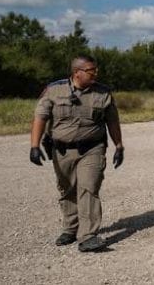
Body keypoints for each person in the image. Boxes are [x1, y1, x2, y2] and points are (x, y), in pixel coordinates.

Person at [29, 55, 124, 252]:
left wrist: (119, 146)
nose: (95, 74)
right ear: (77, 73)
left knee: (89, 188)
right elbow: (40, 117)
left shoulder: (103, 93)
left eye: (96, 70)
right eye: (91, 71)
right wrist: (34, 146)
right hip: (62, 151)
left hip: (92, 149)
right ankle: (70, 229)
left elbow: (112, 121)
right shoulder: (54, 90)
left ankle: (88, 236)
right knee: (67, 189)